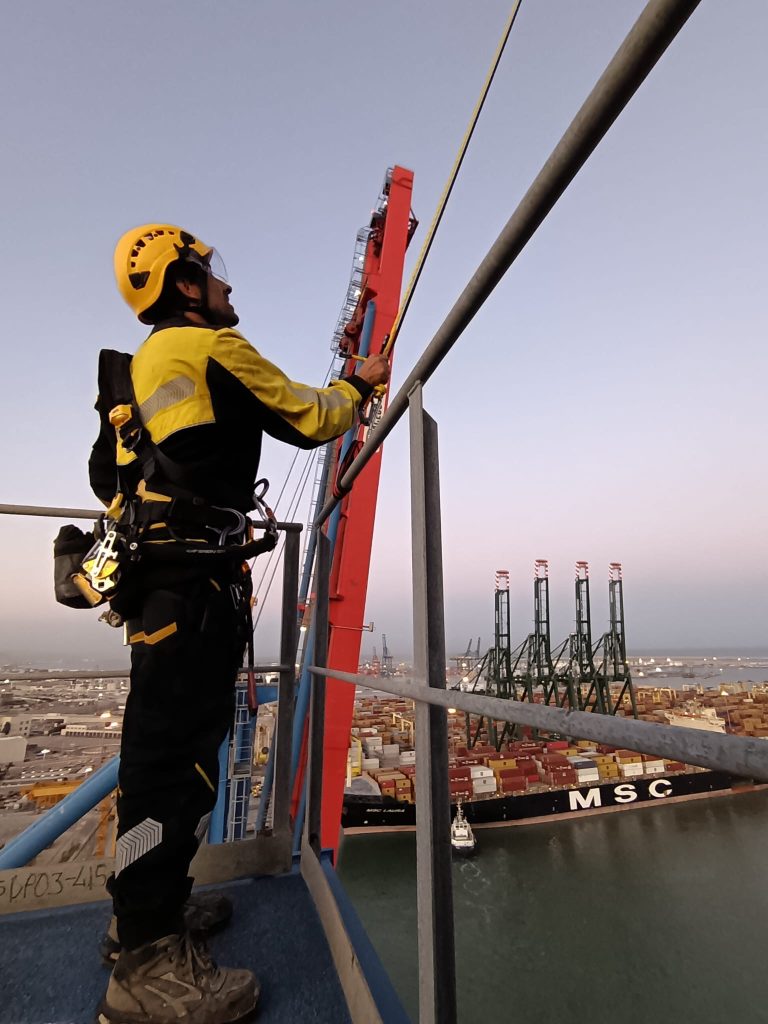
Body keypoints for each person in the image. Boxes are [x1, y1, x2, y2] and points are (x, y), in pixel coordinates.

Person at [92, 223, 389, 1024]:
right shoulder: (210, 347)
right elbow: (309, 416)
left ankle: (141, 921)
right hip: (192, 593)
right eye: (209, 274)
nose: (225, 286)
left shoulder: (141, 372)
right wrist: (361, 387)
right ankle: (148, 970)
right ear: (184, 286)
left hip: (161, 593)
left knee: (158, 757)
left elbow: (114, 478)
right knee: (177, 767)